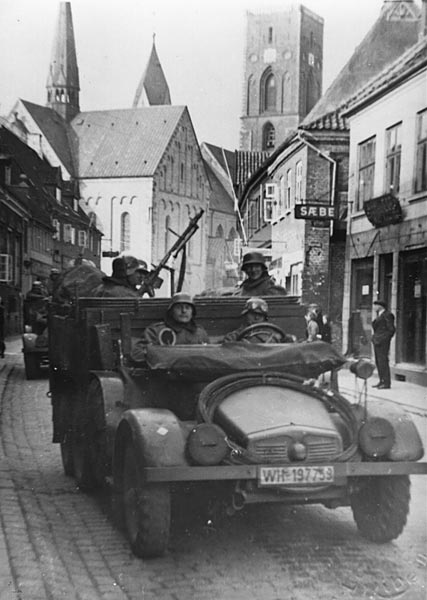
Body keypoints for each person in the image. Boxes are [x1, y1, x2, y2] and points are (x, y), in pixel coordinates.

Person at [137, 293, 210, 347]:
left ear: (192, 312)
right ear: (171, 311)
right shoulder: (155, 331)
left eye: (187, 308)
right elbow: (138, 354)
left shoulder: (200, 333)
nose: (184, 311)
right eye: (179, 307)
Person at [223, 297, 294, 343]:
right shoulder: (234, 337)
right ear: (246, 315)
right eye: (253, 314)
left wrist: (288, 340)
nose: (256, 318)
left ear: (264, 318)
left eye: (260, 315)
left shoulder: (274, 335)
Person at [371, 300, 396, 389]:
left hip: (382, 342)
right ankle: (381, 380)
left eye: (375, 305)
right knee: (379, 362)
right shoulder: (380, 315)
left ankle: (386, 383)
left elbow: (391, 330)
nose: (374, 307)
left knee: (383, 361)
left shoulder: (388, 315)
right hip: (377, 341)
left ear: (380, 306)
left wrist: (383, 339)